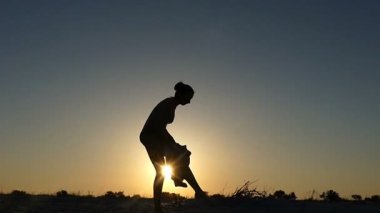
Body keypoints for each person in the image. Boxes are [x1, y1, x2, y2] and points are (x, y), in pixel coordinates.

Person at [140, 82, 207, 213]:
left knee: (181, 155)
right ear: (181, 94)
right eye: (188, 98)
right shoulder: (168, 104)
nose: (189, 102)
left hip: (158, 136)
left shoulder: (172, 104)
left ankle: (196, 190)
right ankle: (158, 208)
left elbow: (161, 127)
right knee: (160, 172)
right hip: (150, 138)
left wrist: (172, 143)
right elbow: (157, 125)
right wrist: (171, 143)